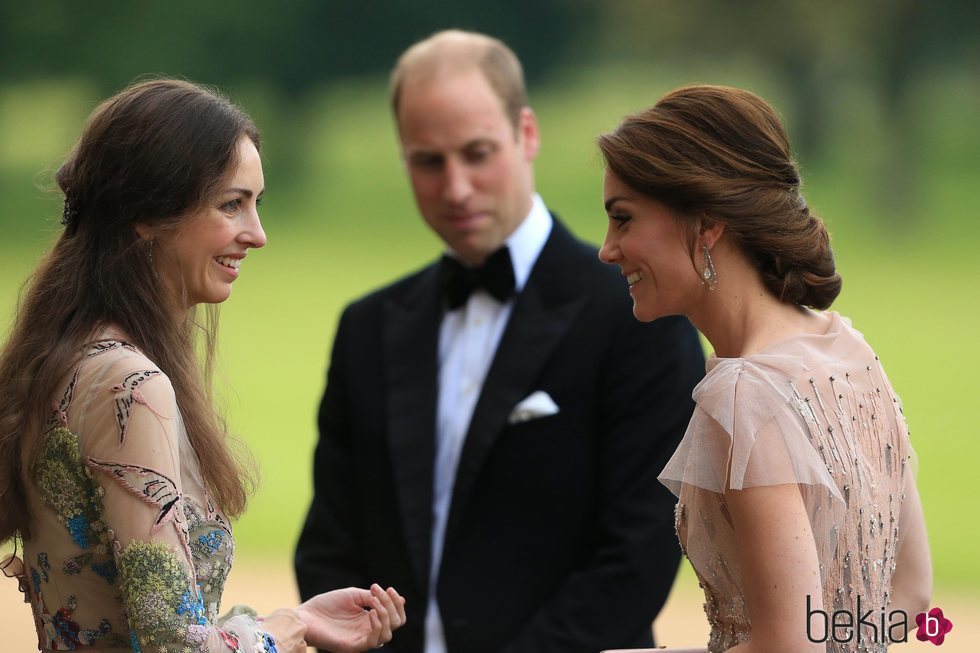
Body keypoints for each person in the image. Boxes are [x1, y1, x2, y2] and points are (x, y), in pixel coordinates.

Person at [294, 30, 705, 653]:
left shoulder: (639, 314)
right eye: (429, 161)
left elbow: (640, 551)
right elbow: (330, 544)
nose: (456, 187)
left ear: (527, 134)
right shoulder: (367, 327)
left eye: (477, 153)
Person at [0, 79, 405, 653]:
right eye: (231, 204)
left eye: (256, 204)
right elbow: (173, 647)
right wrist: (282, 632)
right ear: (147, 214)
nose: (257, 235)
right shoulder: (128, 384)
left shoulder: (69, 354)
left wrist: (294, 618)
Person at [597, 85, 932, 652]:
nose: (608, 249)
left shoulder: (743, 391)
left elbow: (789, 647)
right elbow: (912, 597)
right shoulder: (848, 349)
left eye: (623, 220)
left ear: (706, 224)